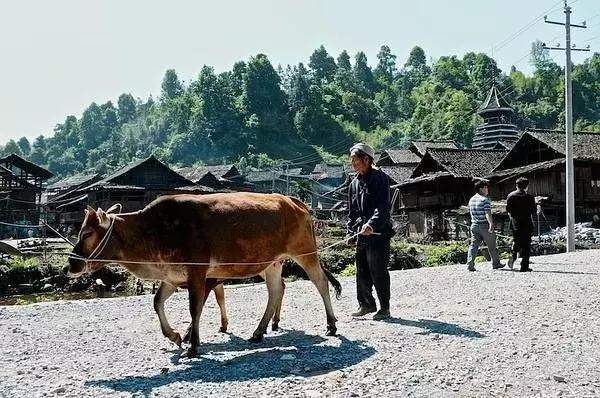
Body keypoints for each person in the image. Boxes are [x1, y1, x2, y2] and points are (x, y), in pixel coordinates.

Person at [347, 143, 394, 320]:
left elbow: (383, 207)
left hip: (378, 233)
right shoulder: (353, 184)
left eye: (355, 160)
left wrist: (371, 224)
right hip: (361, 234)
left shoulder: (380, 178)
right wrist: (351, 230)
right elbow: (352, 212)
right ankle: (366, 304)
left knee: (378, 269)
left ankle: (384, 308)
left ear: (366, 159)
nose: (353, 163)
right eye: (351, 160)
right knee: (361, 270)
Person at [466, 180, 504, 271]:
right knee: (492, 246)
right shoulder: (484, 200)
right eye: (485, 187)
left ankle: (470, 264)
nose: (487, 189)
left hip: (474, 225)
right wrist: (491, 223)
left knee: (474, 245)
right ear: (481, 189)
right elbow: (488, 212)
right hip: (484, 225)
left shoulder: (471, 199)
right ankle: (496, 263)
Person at [506, 177, 536, 272]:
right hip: (527, 223)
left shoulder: (510, 196)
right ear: (526, 187)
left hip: (515, 223)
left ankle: (513, 255)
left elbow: (508, 210)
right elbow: (533, 211)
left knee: (516, 241)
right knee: (527, 244)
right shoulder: (530, 197)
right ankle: (524, 266)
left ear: (516, 186)